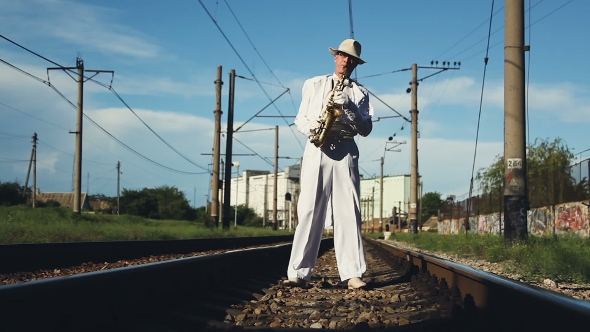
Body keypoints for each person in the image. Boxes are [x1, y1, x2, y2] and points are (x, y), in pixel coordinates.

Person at [284, 38, 374, 289]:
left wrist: (351, 108)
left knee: (349, 211)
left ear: (356, 63)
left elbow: (366, 128)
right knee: (309, 209)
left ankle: (353, 273)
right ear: (335, 57)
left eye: (351, 58)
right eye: (343, 56)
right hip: (318, 146)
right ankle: (298, 273)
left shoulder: (360, 93)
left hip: (345, 148)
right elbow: (300, 118)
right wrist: (311, 128)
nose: (346, 61)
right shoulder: (313, 84)